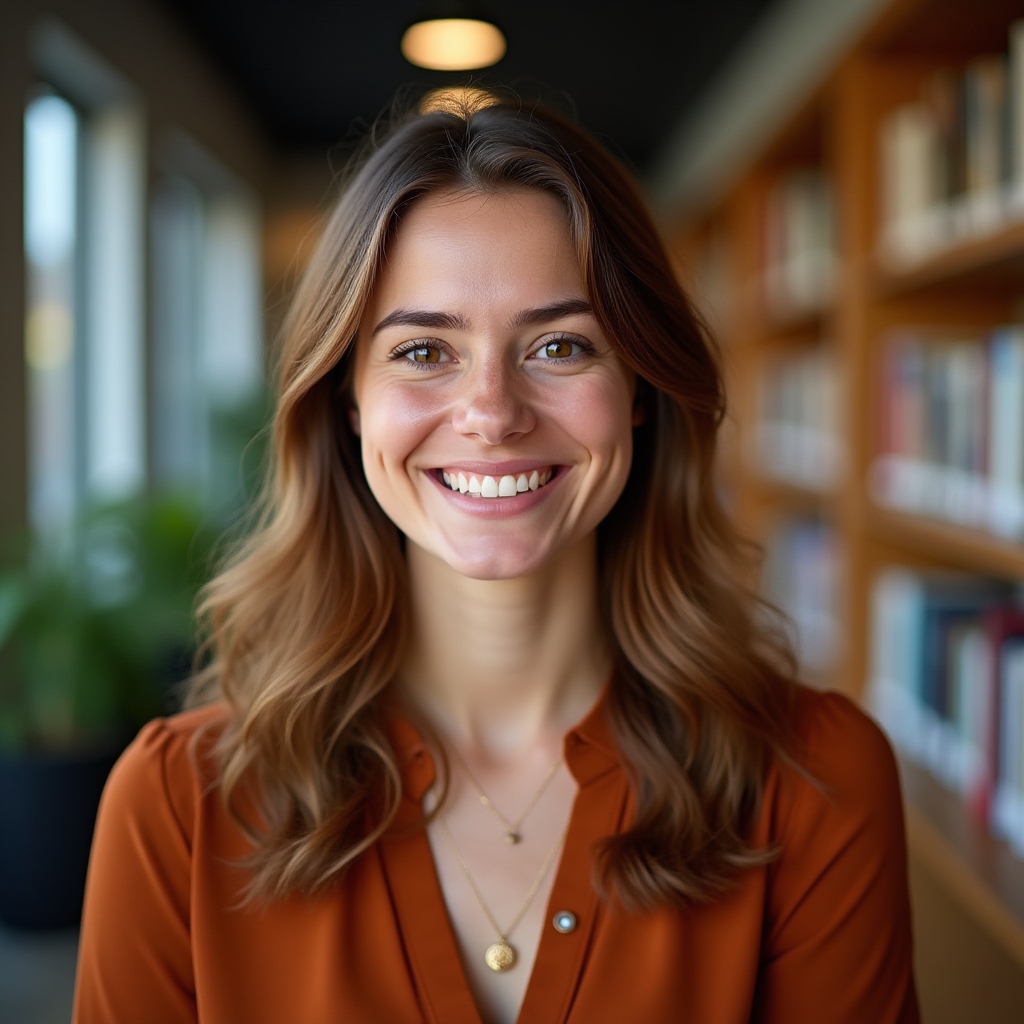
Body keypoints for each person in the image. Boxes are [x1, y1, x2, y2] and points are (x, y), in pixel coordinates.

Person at [73, 93, 919, 1024]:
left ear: (639, 387)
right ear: (348, 400)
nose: (492, 411)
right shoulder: (175, 806)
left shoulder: (817, 783)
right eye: (424, 350)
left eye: (559, 345)